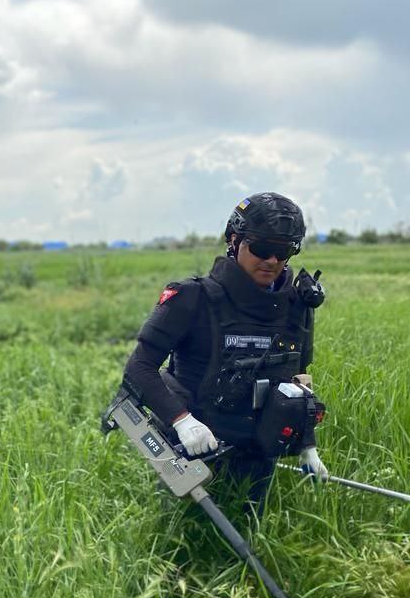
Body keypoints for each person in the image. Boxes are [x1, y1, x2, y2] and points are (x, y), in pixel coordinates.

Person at [123, 192, 328, 515]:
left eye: (284, 250)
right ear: (234, 240)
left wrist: (307, 446)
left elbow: (298, 379)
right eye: (262, 248)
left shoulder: (297, 304)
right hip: (192, 446)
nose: (273, 261)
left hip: (259, 448)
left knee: (248, 530)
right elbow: (139, 368)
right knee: (182, 538)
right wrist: (182, 421)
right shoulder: (193, 298)